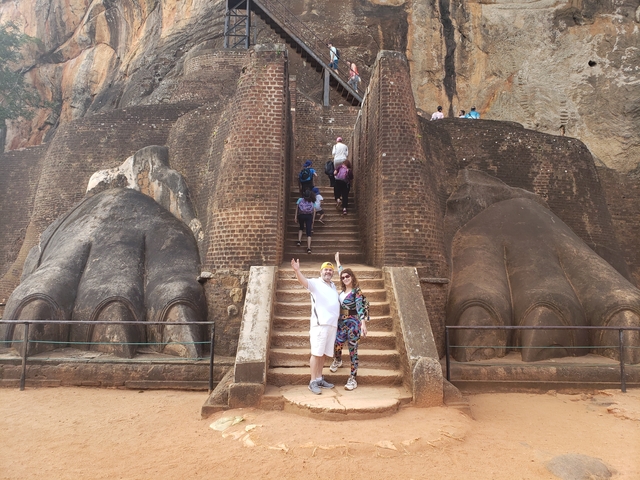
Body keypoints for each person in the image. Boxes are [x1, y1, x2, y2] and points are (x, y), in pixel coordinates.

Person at [290, 258, 340, 395]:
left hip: (332, 325)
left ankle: (319, 378)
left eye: (330, 270)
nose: (328, 272)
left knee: (324, 354)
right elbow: (303, 281)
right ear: (321, 271)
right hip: (320, 325)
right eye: (326, 269)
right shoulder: (316, 283)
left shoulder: (333, 286)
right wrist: (297, 271)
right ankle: (312, 381)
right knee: (316, 353)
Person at [330, 252, 369, 391]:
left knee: (353, 351)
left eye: (348, 276)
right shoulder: (342, 291)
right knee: (337, 344)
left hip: (353, 324)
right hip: (341, 323)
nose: (345, 278)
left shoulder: (356, 292)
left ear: (352, 277)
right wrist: (338, 262)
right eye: (343, 277)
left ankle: (353, 378)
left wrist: (363, 324)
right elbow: (341, 271)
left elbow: (360, 308)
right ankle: (338, 360)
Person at [295, 189, 316, 254]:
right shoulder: (312, 202)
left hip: (301, 215)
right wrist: (313, 219)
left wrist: (295, 217)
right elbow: (314, 211)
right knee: (308, 232)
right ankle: (309, 248)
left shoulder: (300, 200)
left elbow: (297, 208)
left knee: (301, 228)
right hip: (309, 216)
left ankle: (299, 241)